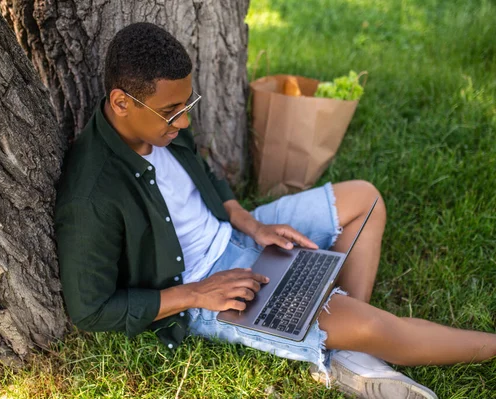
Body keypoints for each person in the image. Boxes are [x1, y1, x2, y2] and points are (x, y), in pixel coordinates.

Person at [54, 22, 496, 399]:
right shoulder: (91, 194)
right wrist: (198, 293)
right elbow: (90, 310)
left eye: (188, 106)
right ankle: (369, 335)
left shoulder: (160, 126)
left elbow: (203, 175)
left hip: (238, 233)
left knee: (366, 198)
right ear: (121, 103)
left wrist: (251, 222)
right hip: (209, 291)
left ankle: (347, 347)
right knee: (386, 331)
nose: (185, 122)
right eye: (173, 112)